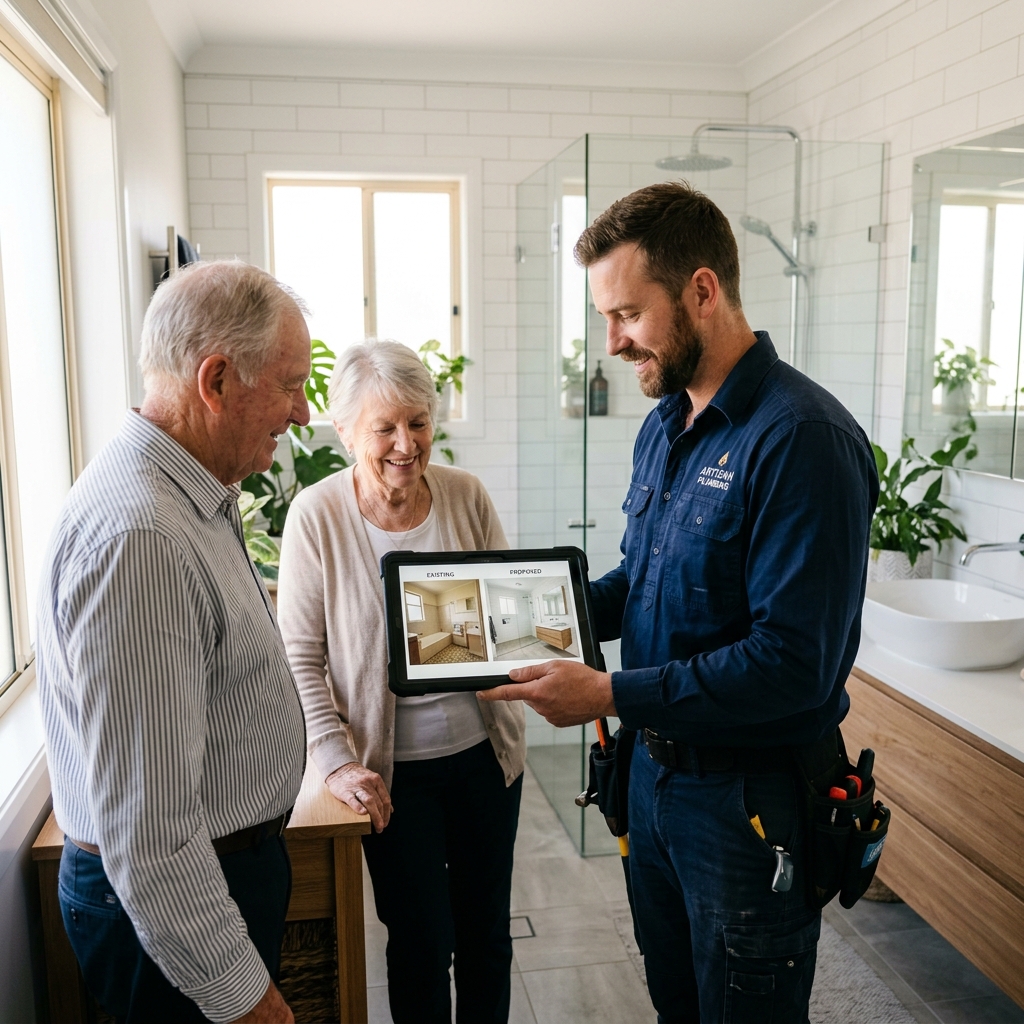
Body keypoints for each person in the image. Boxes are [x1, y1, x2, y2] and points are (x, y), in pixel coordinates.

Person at [481, 182, 879, 1023]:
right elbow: (644, 582)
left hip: (749, 804)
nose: (613, 343)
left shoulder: (802, 439)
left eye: (628, 314)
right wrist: (519, 614)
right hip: (656, 780)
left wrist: (608, 694)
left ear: (703, 289)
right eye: (605, 318)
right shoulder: (666, 424)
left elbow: (792, 665)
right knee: (676, 1006)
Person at [37, 260, 311, 1024]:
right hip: (179, 906)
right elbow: (151, 837)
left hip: (220, 876)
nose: (297, 411)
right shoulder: (142, 538)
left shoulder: (188, 494)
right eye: (289, 384)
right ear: (216, 380)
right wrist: (246, 999)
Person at [277, 339, 525, 1024]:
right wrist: (336, 762)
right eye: (384, 426)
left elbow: (510, 607)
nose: (405, 443)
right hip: (392, 776)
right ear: (346, 429)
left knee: (487, 938)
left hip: (484, 760)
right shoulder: (318, 516)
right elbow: (301, 654)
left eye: (417, 421)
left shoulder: (464, 495)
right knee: (420, 942)